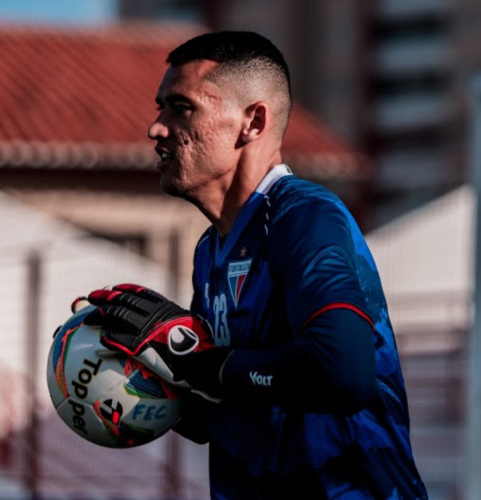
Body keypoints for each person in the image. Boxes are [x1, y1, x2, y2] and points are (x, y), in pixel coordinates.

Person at [84, 31, 428, 499]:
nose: (156, 128)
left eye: (181, 108)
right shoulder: (210, 249)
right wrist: (146, 378)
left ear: (252, 121)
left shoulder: (303, 217)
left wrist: (200, 361)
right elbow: (220, 407)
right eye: (159, 107)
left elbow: (343, 373)